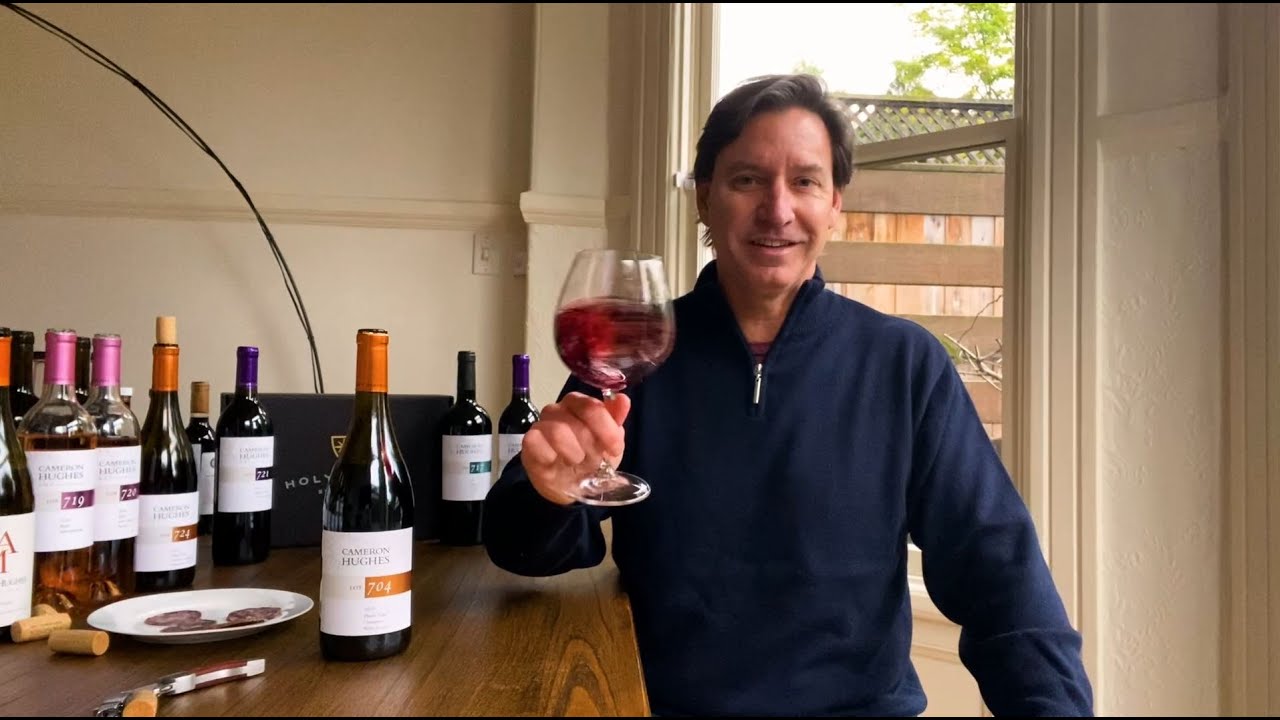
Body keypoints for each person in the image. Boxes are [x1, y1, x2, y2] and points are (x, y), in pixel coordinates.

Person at [483, 73, 1094, 717]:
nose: (777, 210)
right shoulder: (634, 349)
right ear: (705, 198)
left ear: (835, 204)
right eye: (747, 179)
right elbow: (519, 545)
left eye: (805, 181)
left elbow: (1001, 576)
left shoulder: (904, 364)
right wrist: (550, 494)